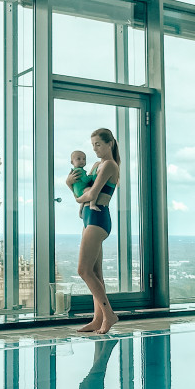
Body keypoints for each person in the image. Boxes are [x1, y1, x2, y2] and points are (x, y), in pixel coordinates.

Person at [65, 128, 120, 334]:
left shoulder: (109, 165)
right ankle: (98, 319)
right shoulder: (96, 165)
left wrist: (76, 196)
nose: (95, 149)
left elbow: (92, 194)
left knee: (83, 270)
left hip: (98, 219)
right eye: (93, 145)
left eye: (98, 144)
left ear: (110, 144)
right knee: (96, 272)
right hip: (88, 219)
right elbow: (82, 190)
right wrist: (71, 186)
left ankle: (109, 315)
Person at [69, 150, 100, 217]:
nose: (82, 161)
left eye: (84, 159)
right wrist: (92, 175)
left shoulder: (75, 170)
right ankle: (92, 205)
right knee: (92, 190)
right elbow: (85, 180)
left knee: (83, 201)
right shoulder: (79, 171)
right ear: (72, 162)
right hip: (81, 190)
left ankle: (80, 211)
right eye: (78, 159)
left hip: (77, 192)